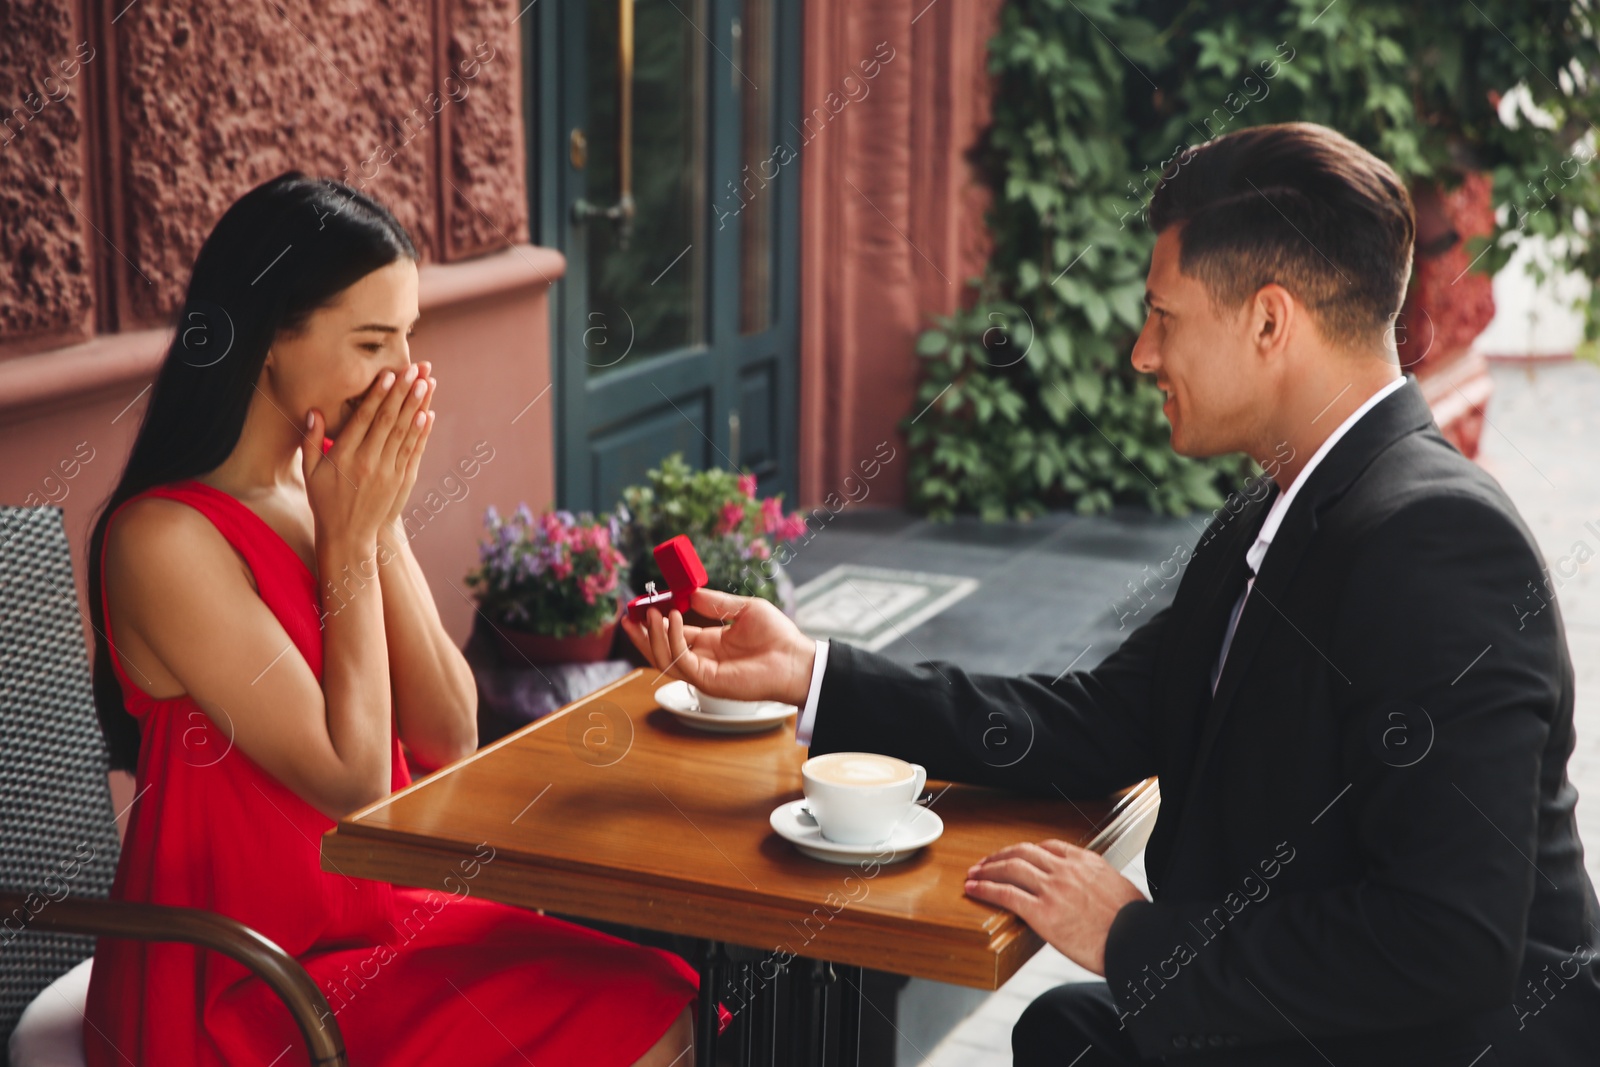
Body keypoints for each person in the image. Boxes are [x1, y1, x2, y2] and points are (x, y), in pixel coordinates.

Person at [623, 122, 1600, 1065]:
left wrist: (1137, 937)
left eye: (1162, 315)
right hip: (1332, 1020)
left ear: (1269, 320)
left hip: (1446, 1041)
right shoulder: (1284, 504)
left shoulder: (1435, 541)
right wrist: (809, 670)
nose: (1139, 351)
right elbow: (1105, 716)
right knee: (1064, 1030)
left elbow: (1451, 940)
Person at [85, 172, 702, 1066]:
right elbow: (353, 779)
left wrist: (373, 530)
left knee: (661, 984)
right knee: (633, 1021)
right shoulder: (163, 539)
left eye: (408, 336)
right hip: (252, 980)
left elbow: (450, 731)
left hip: (380, 917)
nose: (404, 373)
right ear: (266, 342)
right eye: (373, 340)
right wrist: (350, 540)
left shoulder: (326, 490)